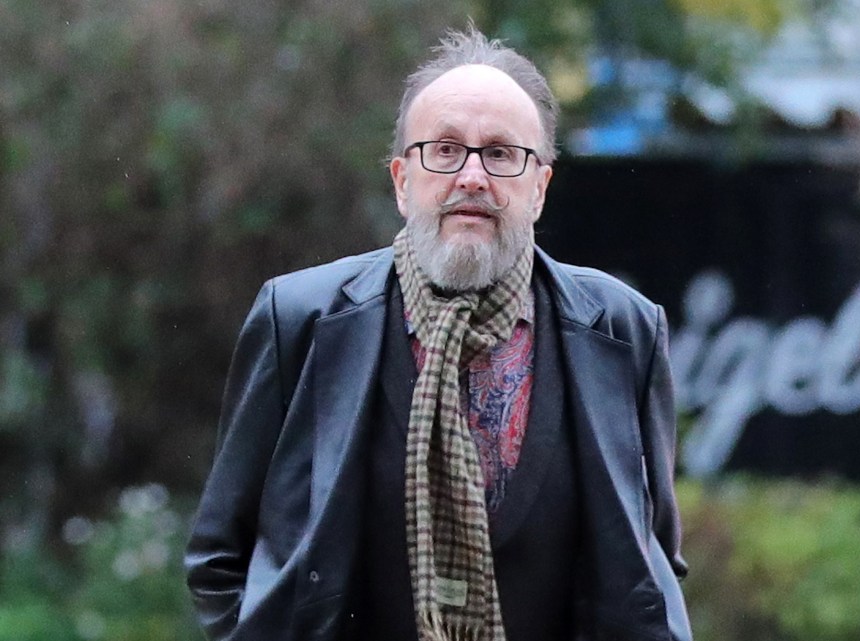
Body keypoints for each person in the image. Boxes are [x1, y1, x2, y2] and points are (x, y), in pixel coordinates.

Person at [185, 25, 691, 641]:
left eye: (502, 153)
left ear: (539, 188)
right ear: (402, 181)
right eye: (445, 149)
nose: (472, 177)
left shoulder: (622, 331)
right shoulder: (300, 320)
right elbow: (220, 558)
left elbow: (650, 564)